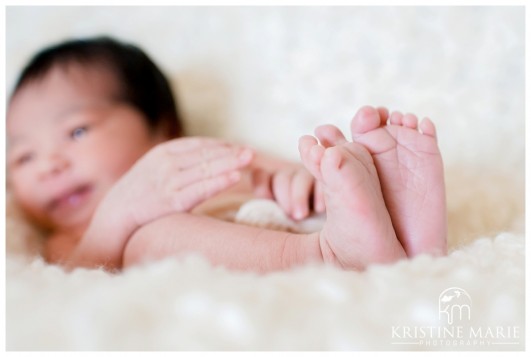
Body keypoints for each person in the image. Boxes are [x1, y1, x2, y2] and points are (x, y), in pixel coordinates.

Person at [6, 36, 447, 273]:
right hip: (294, 254)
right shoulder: (71, 236)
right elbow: (77, 276)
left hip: (301, 224)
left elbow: (270, 169)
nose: (49, 165)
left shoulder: (203, 156)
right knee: (149, 240)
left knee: (337, 181)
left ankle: (406, 236)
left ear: (164, 128)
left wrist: (303, 184)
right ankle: (332, 257)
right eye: (23, 157)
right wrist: (119, 214)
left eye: (77, 131)